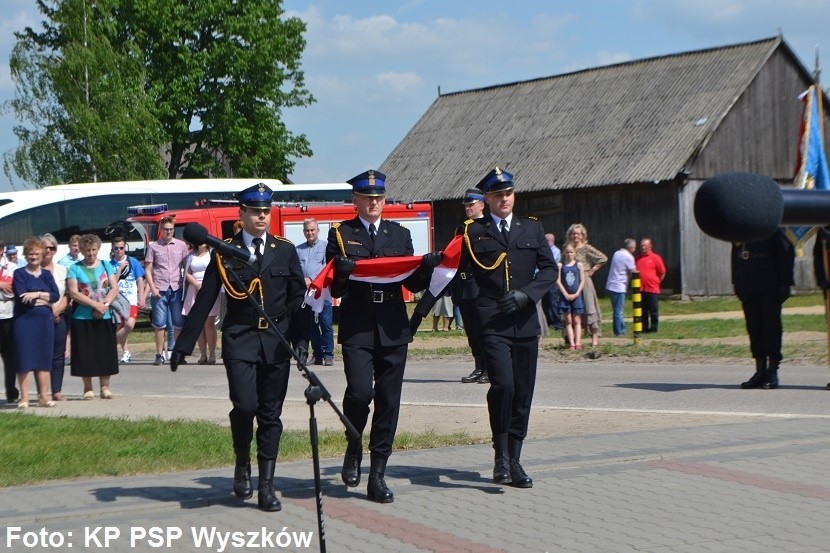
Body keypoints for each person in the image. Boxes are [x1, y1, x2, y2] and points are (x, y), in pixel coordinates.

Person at [171, 183, 307, 513]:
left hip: (275, 341)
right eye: (255, 211)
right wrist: (183, 345)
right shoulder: (225, 251)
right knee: (245, 407)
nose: (262, 216)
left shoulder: (284, 250)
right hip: (240, 338)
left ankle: (266, 485)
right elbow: (205, 299)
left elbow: (298, 297)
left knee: (271, 414)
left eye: (266, 210)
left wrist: (300, 341)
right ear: (241, 214)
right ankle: (242, 462)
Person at [327, 169, 439, 504]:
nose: (374, 203)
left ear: (384, 200)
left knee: (389, 402)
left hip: (392, 326)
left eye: (379, 198)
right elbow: (335, 287)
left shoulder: (399, 234)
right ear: (355, 201)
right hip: (358, 325)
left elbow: (412, 284)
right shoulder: (342, 234)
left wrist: (427, 267)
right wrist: (343, 273)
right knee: (360, 393)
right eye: (367, 198)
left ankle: (377, 473)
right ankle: (353, 442)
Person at [458, 167, 557, 489]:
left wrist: (526, 294)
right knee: (503, 386)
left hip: (525, 322)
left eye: (509, 193)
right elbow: (458, 271)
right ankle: (500, 454)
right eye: (498, 194)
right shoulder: (475, 231)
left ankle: (514, 459)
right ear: (487, 199)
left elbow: (549, 269)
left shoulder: (532, 228)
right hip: (492, 322)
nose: (504, 199)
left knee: (523, 394)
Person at [732, 229, 795, 389]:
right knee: (754, 327)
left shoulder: (772, 226)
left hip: (769, 282)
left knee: (771, 326)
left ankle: (772, 371)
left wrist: (785, 283)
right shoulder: (741, 228)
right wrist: (736, 280)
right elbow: (735, 253)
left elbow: (786, 251)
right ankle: (759, 371)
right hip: (747, 280)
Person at [66, 234, 120, 400]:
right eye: (87, 250)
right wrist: (94, 305)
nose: (90, 253)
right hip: (82, 317)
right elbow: (74, 292)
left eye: (93, 249)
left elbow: (114, 287)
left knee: (105, 352)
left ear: (98, 249)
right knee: (85, 353)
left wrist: (105, 305)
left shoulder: (105, 265)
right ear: (81, 250)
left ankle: (105, 387)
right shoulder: (74, 268)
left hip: (104, 315)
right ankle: (87, 388)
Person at [12, 237, 60, 408]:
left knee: (43, 358)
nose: (33, 257)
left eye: (37, 254)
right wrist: (46, 301)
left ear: (42, 255)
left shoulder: (46, 274)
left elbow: (56, 295)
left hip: (44, 323)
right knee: (24, 357)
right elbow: (23, 297)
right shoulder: (19, 274)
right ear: (25, 255)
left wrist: (38, 294)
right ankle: (24, 397)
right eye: (30, 254)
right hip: (24, 322)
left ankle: (43, 397)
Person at [453, 188, 489, 384]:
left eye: (471, 204)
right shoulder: (462, 228)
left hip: (480, 284)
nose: (468, 208)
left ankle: (489, 368)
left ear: (481, 205)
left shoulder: (488, 226)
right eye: (466, 205)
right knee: (471, 330)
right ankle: (478, 366)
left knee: (483, 329)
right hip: (465, 284)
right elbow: (455, 259)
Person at [144, 216, 190, 366]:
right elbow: (148, 269)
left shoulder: (181, 246)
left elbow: (187, 266)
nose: (168, 232)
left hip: (176, 288)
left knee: (178, 322)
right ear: (161, 230)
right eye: (165, 229)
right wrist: (152, 287)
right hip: (160, 288)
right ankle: (159, 354)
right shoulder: (153, 247)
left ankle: (176, 353)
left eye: (171, 229)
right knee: (159, 324)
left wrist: (186, 283)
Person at [296, 218, 334, 365]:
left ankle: (328, 354)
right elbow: (296, 269)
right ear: (303, 232)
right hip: (307, 294)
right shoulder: (298, 250)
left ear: (318, 231)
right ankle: (317, 355)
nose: (310, 232)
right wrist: (303, 279)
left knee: (326, 324)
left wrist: (313, 279)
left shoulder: (326, 247)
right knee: (312, 326)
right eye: (307, 230)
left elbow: (327, 267)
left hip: (322, 292)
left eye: (312, 229)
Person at [565, 223, 607, 348]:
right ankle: (572, 340)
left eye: (578, 233)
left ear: (582, 235)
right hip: (571, 281)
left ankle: (594, 338)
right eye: (573, 233)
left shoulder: (586, 248)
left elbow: (603, 258)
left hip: (585, 281)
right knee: (571, 312)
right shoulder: (567, 248)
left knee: (590, 308)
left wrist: (593, 269)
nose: (575, 236)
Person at [40, 233, 70, 401]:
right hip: (40, 318)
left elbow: (68, 295)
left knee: (58, 356)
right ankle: (41, 393)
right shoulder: (34, 270)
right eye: (46, 247)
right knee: (41, 355)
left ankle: (56, 391)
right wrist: (49, 311)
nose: (49, 250)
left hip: (60, 316)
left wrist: (57, 310)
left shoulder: (62, 270)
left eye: (52, 247)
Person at [181, 242, 220, 364]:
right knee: (198, 323)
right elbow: (187, 272)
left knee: (209, 323)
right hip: (194, 289)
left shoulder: (212, 254)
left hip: (209, 289)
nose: (201, 243)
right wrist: (196, 284)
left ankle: (212, 354)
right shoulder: (190, 256)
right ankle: (203, 355)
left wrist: (206, 285)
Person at [108, 237, 145, 364]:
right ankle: (125, 352)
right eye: (116, 248)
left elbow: (140, 280)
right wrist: (119, 270)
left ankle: (109, 346)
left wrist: (141, 297)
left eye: (121, 248)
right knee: (120, 325)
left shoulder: (133, 261)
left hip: (131, 299)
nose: (119, 250)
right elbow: (111, 283)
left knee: (129, 324)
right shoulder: (109, 264)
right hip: (117, 299)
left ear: (125, 248)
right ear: (112, 248)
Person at [605, 238, 637, 337]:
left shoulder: (617, 253)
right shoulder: (628, 257)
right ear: (631, 248)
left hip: (611, 285)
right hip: (619, 286)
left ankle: (621, 329)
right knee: (618, 311)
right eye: (634, 247)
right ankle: (619, 332)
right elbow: (634, 272)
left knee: (617, 310)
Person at [0, 239, 18, 404]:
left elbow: (12, 291)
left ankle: (11, 391)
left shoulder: (12, 268)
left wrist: (5, 287)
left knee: (9, 356)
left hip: (7, 316)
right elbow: (4, 288)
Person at [635, 237, 666, 333]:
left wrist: (657, 282)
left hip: (652, 288)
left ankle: (653, 328)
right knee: (643, 311)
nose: (643, 247)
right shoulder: (638, 259)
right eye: (641, 246)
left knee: (653, 310)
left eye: (645, 245)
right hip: (641, 289)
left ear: (650, 246)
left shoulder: (655, 258)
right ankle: (644, 328)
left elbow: (662, 272)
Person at [558, 244, 585, 350]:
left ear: (575, 253)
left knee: (577, 320)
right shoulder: (561, 265)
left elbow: (582, 280)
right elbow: (558, 281)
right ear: (564, 253)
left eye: (571, 252)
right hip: (565, 297)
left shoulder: (579, 265)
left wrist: (577, 293)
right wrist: (565, 294)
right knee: (568, 320)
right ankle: (572, 343)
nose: (569, 254)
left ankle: (578, 342)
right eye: (567, 252)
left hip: (576, 296)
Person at [543, 233, 563, 331]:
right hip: (543, 279)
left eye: (547, 240)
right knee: (545, 302)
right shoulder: (543, 250)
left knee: (553, 302)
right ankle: (549, 322)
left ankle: (558, 324)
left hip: (552, 281)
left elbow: (551, 264)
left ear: (552, 241)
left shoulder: (555, 251)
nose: (545, 242)